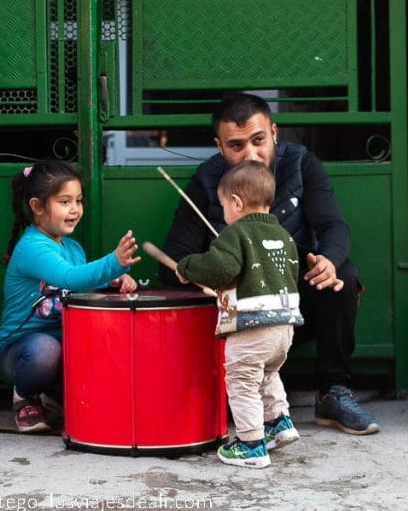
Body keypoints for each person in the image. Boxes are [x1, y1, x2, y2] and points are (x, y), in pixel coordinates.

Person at [160, 92, 379, 436]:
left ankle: (333, 391)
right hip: (238, 316)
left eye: (259, 140)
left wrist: (329, 260)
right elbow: (172, 259)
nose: (251, 154)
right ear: (219, 146)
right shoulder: (206, 181)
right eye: (236, 146)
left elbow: (333, 225)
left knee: (343, 275)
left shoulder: (300, 164)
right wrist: (211, 276)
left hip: (294, 307)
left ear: (274, 132)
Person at [0, 159, 140, 433]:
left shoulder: (73, 248)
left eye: (78, 200)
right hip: (23, 350)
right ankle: (24, 396)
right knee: (45, 350)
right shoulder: (32, 247)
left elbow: (81, 286)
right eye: (64, 202)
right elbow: (68, 278)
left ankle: (58, 396)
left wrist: (114, 280)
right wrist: (113, 262)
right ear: (37, 207)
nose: (74, 209)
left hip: (68, 343)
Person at [176, 161, 303, 468]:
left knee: (242, 382)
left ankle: (251, 444)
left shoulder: (235, 235)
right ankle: (279, 423)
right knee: (268, 374)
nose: (223, 213)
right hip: (284, 328)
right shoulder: (284, 237)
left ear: (235, 202)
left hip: (251, 329)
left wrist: (187, 267)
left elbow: (219, 268)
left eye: (223, 206)